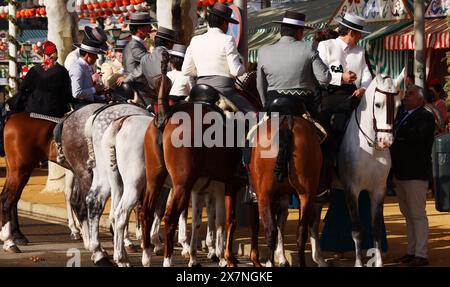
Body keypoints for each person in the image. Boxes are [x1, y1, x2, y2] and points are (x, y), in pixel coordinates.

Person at [391, 85, 435, 267]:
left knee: (417, 214)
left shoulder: (425, 116)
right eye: (406, 94)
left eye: (410, 94)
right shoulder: (402, 115)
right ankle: (411, 251)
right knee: (408, 215)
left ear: (421, 99)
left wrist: (395, 138)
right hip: (401, 172)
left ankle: (421, 254)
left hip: (416, 172)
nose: (405, 97)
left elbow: (418, 138)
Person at [257, 11, 331, 118]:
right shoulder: (309, 48)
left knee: (251, 133)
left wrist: (266, 105)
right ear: (299, 32)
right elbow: (324, 79)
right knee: (326, 132)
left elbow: (260, 85)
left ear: (281, 31)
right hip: (303, 105)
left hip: (273, 104)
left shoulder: (263, 51)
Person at [182, 3, 254, 112]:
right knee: (254, 115)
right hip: (224, 91)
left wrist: (204, 72)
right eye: (228, 23)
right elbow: (235, 71)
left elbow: (186, 70)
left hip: (199, 91)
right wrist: (243, 67)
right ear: (224, 23)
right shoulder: (227, 39)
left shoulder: (195, 40)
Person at [15, 41, 73, 118]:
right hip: (54, 112)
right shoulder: (62, 71)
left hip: (32, 109)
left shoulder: (34, 70)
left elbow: (22, 88)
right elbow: (67, 94)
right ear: (56, 56)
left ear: (44, 55)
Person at [117, 12, 155, 100]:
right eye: (148, 25)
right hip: (139, 90)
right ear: (139, 29)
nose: (151, 28)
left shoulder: (136, 44)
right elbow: (150, 62)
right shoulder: (134, 45)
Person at [141, 26, 178, 101]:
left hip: (153, 97)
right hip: (172, 98)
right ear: (169, 43)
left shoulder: (144, 59)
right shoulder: (173, 56)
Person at [68, 37, 108, 107]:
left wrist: (103, 98)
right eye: (95, 55)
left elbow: (88, 96)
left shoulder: (85, 66)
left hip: (87, 104)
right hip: (81, 106)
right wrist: (95, 89)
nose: (97, 58)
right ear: (87, 55)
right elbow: (76, 93)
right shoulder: (77, 68)